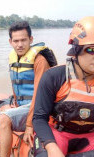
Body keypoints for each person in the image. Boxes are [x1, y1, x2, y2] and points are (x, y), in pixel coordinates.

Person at [0, 21, 57, 157]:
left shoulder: (39, 61)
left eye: (23, 40)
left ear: (31, 39)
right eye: (16, 41)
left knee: (4, 119)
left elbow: (40, 96)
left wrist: (29, 125)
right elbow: (16, 85)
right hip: (22, 107)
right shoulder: (13, 58)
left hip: (38, 110)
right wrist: (15, 105)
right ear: (10, 41)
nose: (19, 44)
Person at [33, 16, 94, 157]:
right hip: (57, 133)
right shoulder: (54, 77)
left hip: (90, 135)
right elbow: (39, 118)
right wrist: (52, 147)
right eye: (91, 50)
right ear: (76, 49)